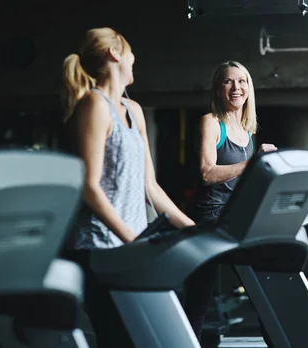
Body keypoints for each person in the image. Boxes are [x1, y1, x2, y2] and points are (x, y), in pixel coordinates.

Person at [61, 27, 195, 347]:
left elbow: (150, 186)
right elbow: (89, 187)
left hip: (131, 251)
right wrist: (133, 240)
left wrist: (192, 229)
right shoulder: (94, 105)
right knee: (120, 339)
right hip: (100, 247)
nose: (135, 60)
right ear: (115, 53)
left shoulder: (134, 111)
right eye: (131, 52)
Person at [187, 60, 276, 344]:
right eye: (228, 81)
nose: (236, 87)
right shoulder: (211, 123)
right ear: (217, 89)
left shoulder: (248, 132)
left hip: (237, 217)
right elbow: (206, 172)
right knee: (199, 299)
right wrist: (253, 163)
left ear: (249, 89)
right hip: (210, 219)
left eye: (242, 81)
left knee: (265, 289)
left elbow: (244, 180)